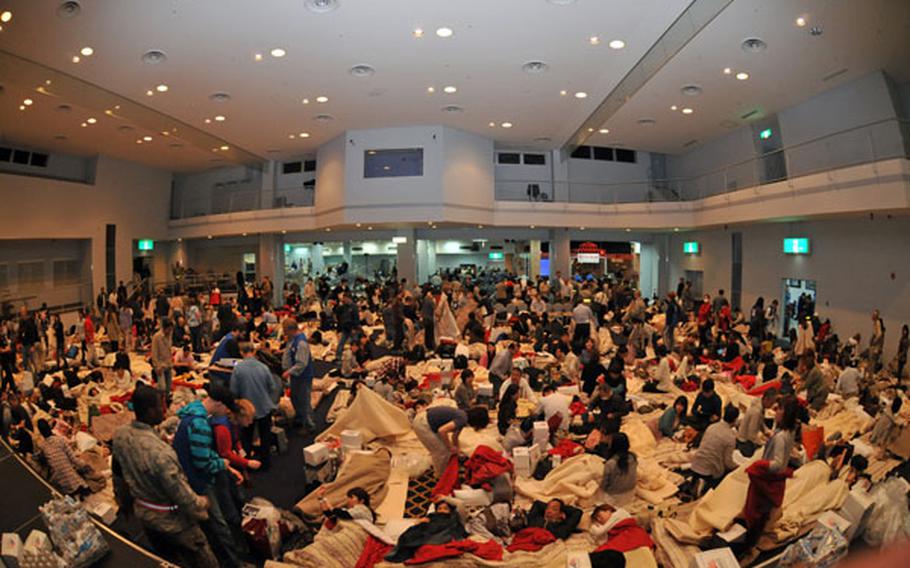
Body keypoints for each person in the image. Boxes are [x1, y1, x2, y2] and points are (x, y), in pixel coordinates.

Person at [112, 385, 217, 568]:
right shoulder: (162, 454)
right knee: (206, 562)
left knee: (167, 560)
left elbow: (117, 474)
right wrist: (204, 503)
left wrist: (124, 503)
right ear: (151, 409)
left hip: (145, 517)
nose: (165, 410)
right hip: (173, 522)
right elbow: (183, 498)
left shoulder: (121, 435)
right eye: (161, 406)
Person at [172, 386, 244, 568]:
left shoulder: (192, 412)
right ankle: (233, 563)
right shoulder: (201, 425)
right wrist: (222, 464)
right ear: (218, 404)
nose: (225, 414)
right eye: (225, 409)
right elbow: (202, 463)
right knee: (220, 526)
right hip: (199, 482)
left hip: (189, 477)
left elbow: (201, 451)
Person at [739, 396, 799, 550]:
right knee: (762, 511)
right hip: (775, 478)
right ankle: (752, 539)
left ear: (785, 413)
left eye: (779, 409)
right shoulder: (789, 431)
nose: (775, 411)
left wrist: (760, 465)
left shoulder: (780, 437)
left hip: (767, 477)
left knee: (755, 510)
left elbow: (777, 464)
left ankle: (748, 545)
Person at [230, 342, 278, 469]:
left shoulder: (238, 369)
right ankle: (266, 463)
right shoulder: (263, 367)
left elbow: (233, 391)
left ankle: (247, 463)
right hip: (264, 407)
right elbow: (272, 387)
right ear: (254, 351)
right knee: (265, 436)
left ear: (241, 352)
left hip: (247, 410)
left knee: (246, 437)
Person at [690, 405, 739, 495]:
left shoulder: (711, 427)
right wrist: (738, 467)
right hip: (710, 471)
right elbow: (728, 463)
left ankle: (695, 482)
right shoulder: (730, 437)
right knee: (728, 473)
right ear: (735, 420)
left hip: (696, 463)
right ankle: (705, 487)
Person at [36, 419, 91, 497]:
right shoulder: (60, 440)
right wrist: (86, 466)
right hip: (75, 482)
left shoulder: (42, 446)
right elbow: (74, 459)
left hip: (60, 483)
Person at [281, 318, 316, 432]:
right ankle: (300, 419)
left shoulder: (301, 343)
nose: (284, 334)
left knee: (304, 400)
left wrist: (288, 372)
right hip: (296, 376)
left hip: (303, 376)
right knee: (295, 398)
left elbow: (302, 363)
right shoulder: (292, 340)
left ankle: (309, 425)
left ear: (291, 330)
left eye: (285, 331)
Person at [413, 405, 467, 477]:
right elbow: (442, 431)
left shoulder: (463, 417)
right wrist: (450, 446)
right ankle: (440, 476)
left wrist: (457, 450)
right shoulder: (462, 419)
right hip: (422, 424)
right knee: (440, 451)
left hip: (428, 421)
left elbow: (455, 437)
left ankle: (446, 470)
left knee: (446, 450)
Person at [601, 432, 637, 508]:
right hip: (631, 492)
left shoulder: (611, 463)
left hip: (615, 497)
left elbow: (604, 485)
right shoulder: (633, 456)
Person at [737, 389, 777, 457]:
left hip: (748, 438)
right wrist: (763, 442)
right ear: (766, 399)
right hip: (744, 442)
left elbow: (760, 422)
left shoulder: (760, 404)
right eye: (771, 403)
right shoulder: (756, 412)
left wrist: (766, 431)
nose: (772, 405)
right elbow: (751, 435)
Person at [151, 319, 174, 397]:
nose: (170, 331)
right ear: (164, 328)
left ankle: (166, 402)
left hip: (169, 363)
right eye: (169, 329)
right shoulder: (157, 337)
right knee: (162, 387)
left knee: (168, 387)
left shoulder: (170, 335)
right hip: (160, 365)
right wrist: (156, 366)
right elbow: (154, 353)